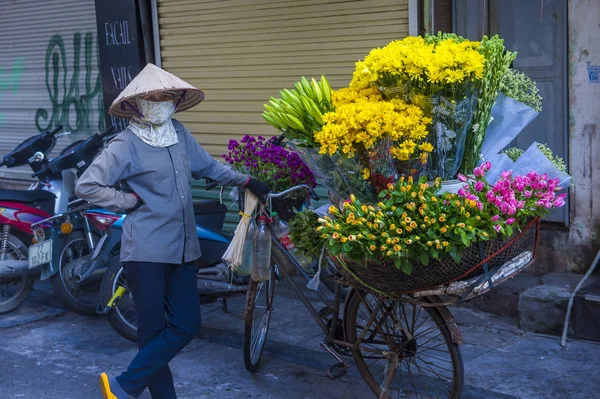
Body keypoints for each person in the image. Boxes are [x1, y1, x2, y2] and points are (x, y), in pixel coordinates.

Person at [75, 63, 270, 399]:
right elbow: (87, 185)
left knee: (186, 324)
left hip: (183, 249)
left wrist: (247, 180)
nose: (159, 100)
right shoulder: (125, 144)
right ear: (137, 103)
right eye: (152, 96)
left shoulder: (179, 133)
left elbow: (207, 167)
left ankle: (123, 385)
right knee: (151, 334)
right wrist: (125, 200)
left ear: (175, 100)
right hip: (146, 252)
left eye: (165, 95)